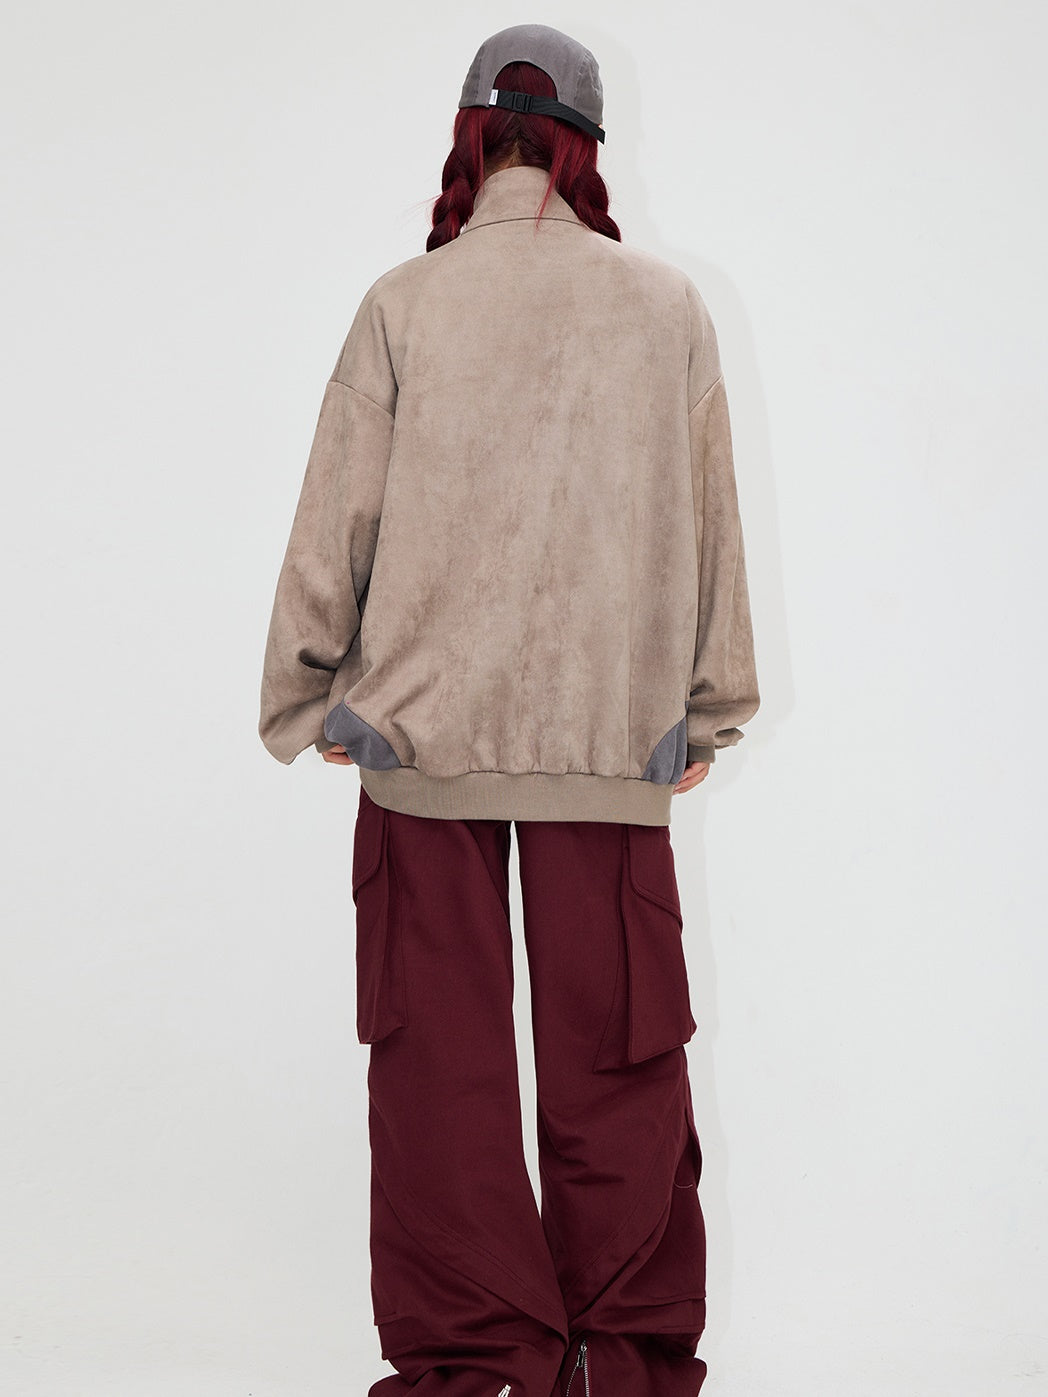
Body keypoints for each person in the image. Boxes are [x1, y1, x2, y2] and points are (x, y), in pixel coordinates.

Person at [258, 22, 760, 1397]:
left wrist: (311, 690)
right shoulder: (666, 309)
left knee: (439, 1073)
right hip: (614, 747)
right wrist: (706, 706)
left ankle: (477, 1370)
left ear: (473, 139)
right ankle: (619, 1365)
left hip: (420, 751)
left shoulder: (403, 305)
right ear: (587, 146)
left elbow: (334, 520)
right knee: (624, 1064)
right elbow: (712, 529)